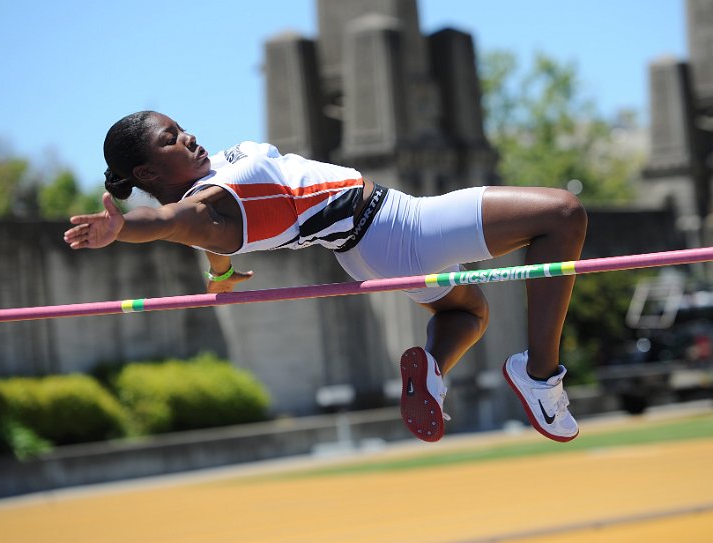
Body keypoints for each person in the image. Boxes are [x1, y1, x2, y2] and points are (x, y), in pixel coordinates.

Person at [64, 111, 587, 443]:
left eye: (181, 127)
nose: (189, 135)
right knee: (563, 214)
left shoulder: (210, 203)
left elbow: (200, 235)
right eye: (172, 138)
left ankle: (430, 368)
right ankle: (541, 377)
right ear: (150, 175)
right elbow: (171, 221)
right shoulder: (204, 209)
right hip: (398, 227)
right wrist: (122, 229)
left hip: (365, 249)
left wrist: (219, 275)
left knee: (468, 311)